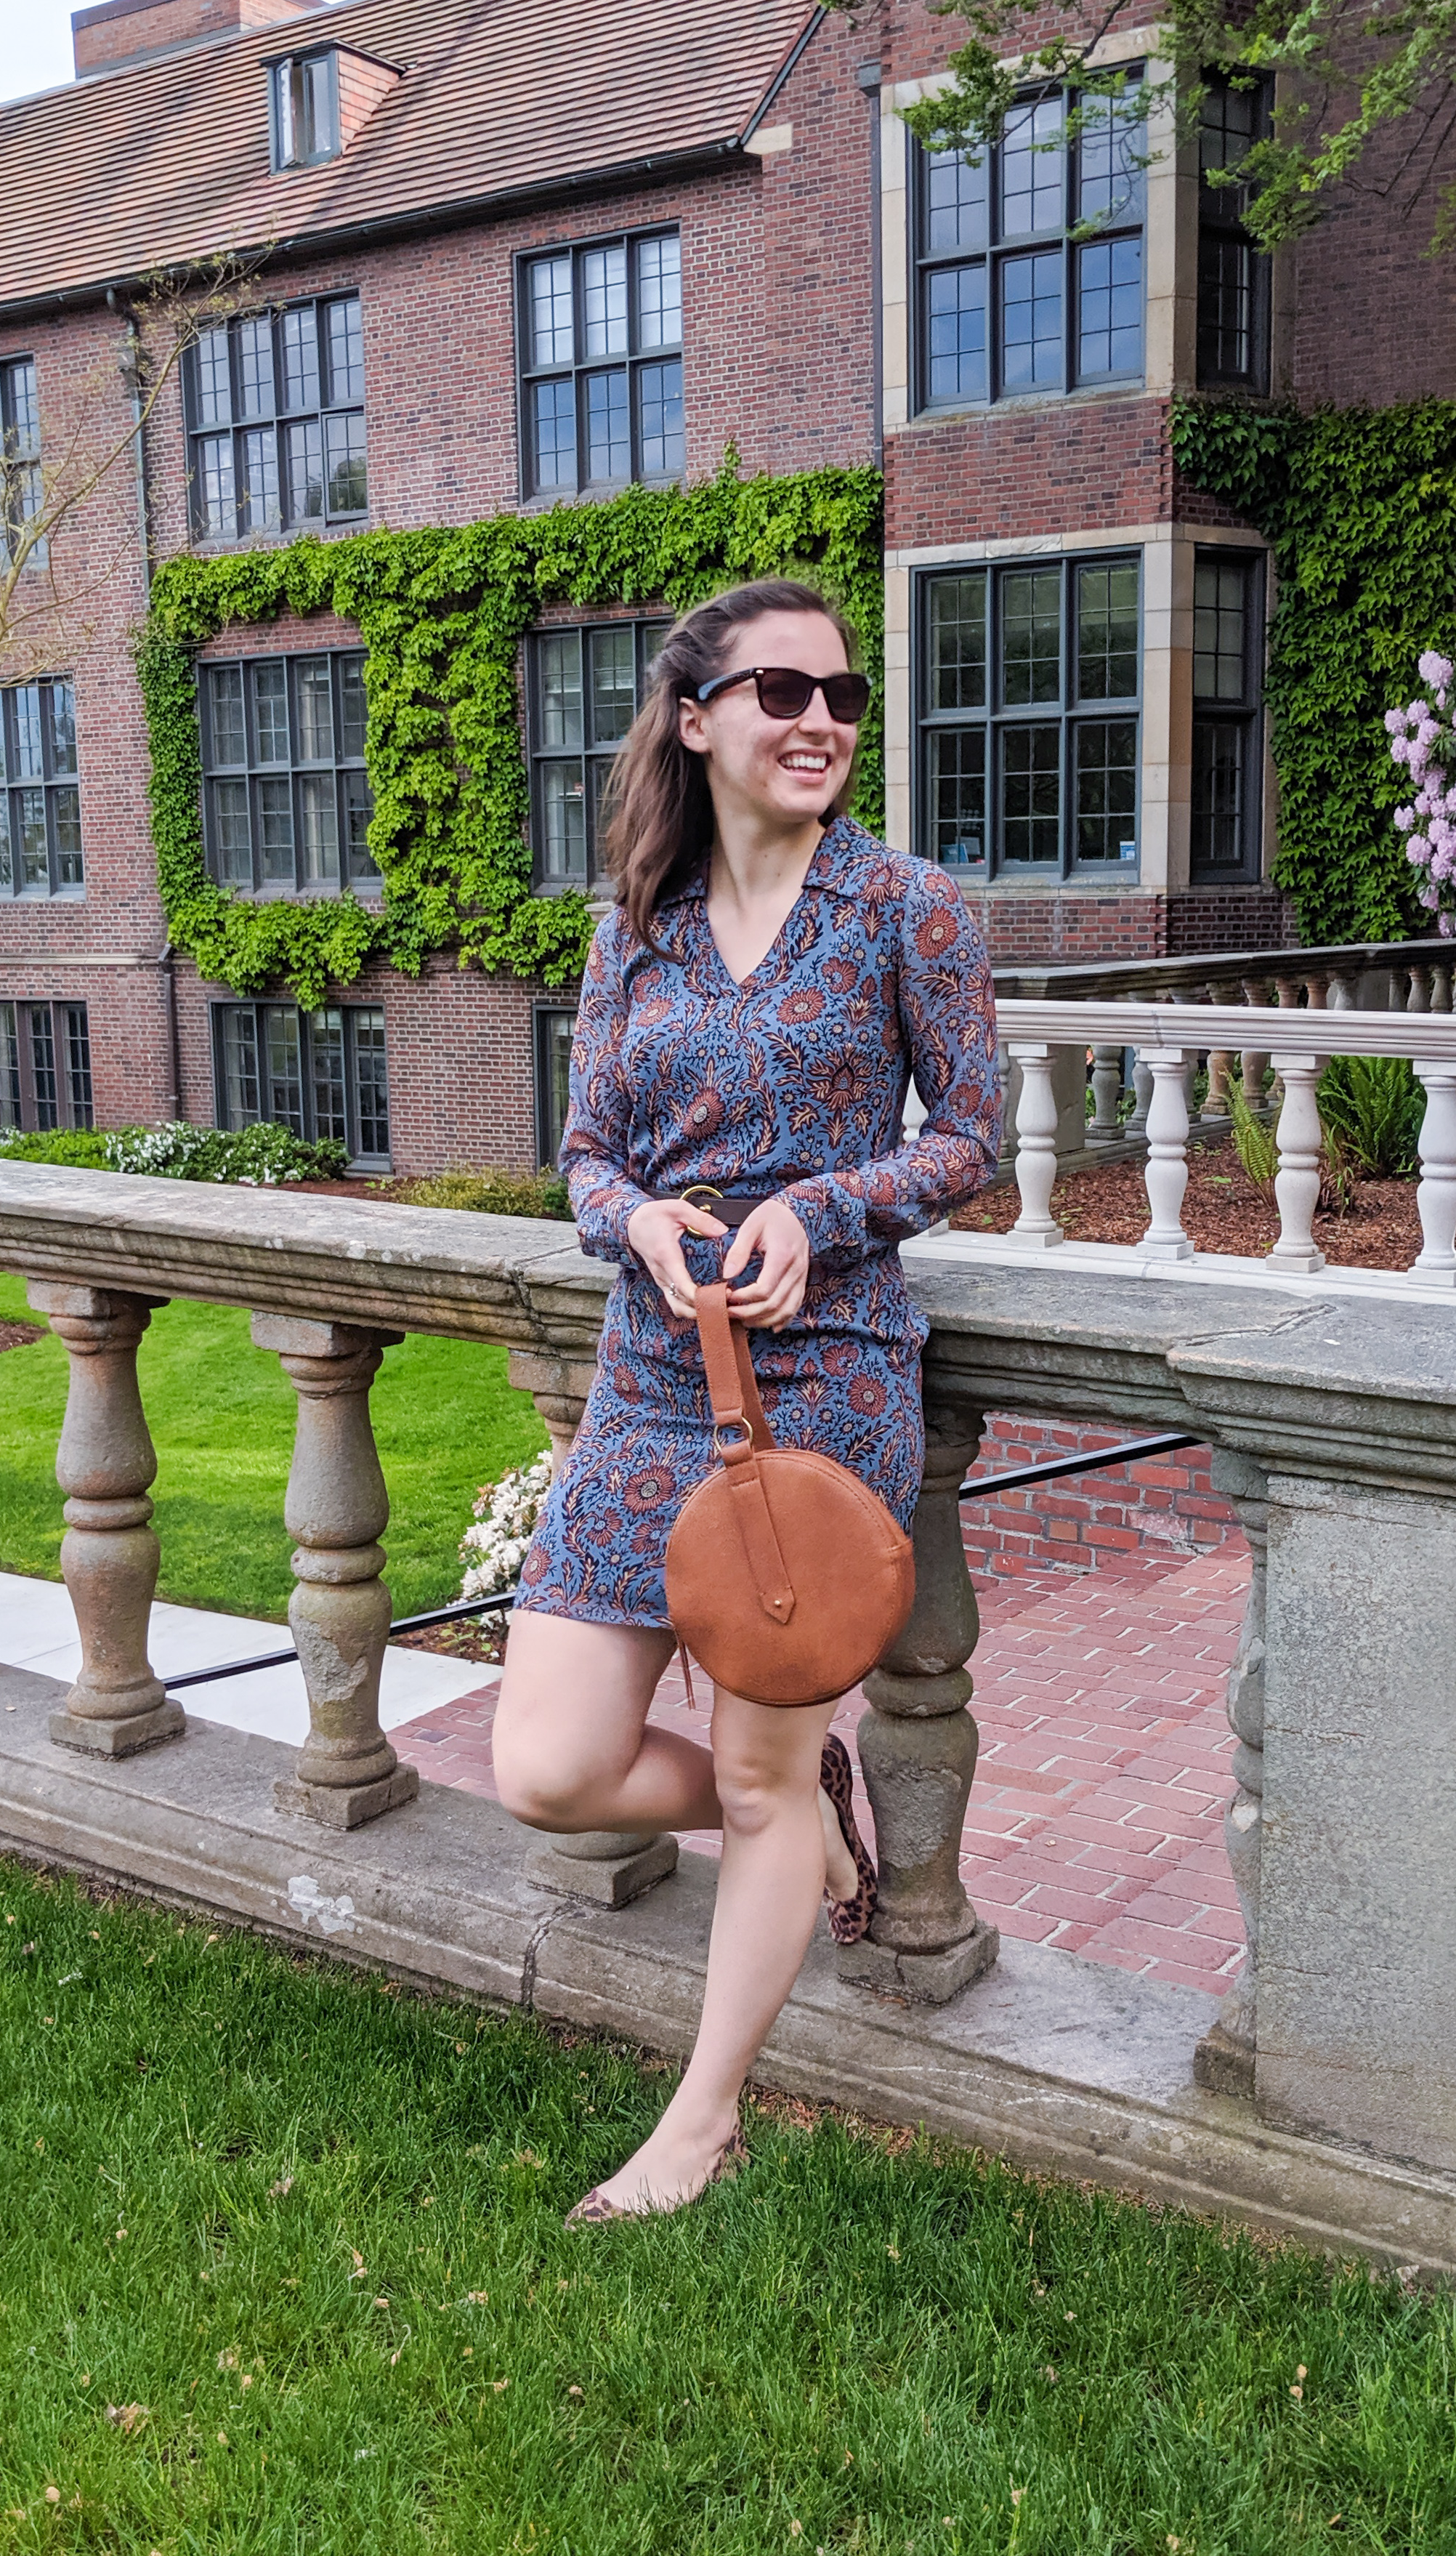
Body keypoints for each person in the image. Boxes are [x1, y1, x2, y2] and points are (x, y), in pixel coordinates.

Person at [490, 577, 1001, 2224]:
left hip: (827, 1373)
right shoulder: (631, 923)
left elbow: (971, 1138)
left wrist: (821, 1209)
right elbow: (583, 1152)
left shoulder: (905, 907)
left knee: (759, 1770)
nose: (820, 720)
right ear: (697, 716)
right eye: (781, 691)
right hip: (652, 1378)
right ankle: (800, 1819)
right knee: (548, 1762)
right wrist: (635, 1221)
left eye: (841, 694)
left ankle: (700, 2120)